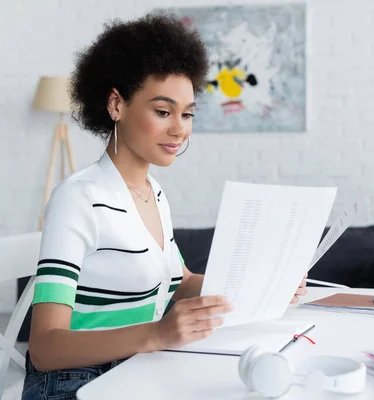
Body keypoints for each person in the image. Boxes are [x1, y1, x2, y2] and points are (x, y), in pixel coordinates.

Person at [21, 13, 308, 400]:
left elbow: (182, 282)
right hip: (76, 383)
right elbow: (45, 348)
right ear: (115, 105)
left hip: (137, 366)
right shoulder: (78, 198)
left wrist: (267, 286)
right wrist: (158, 333)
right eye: (163, 111)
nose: (180, 129)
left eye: (187, 113)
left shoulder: (152, 193)